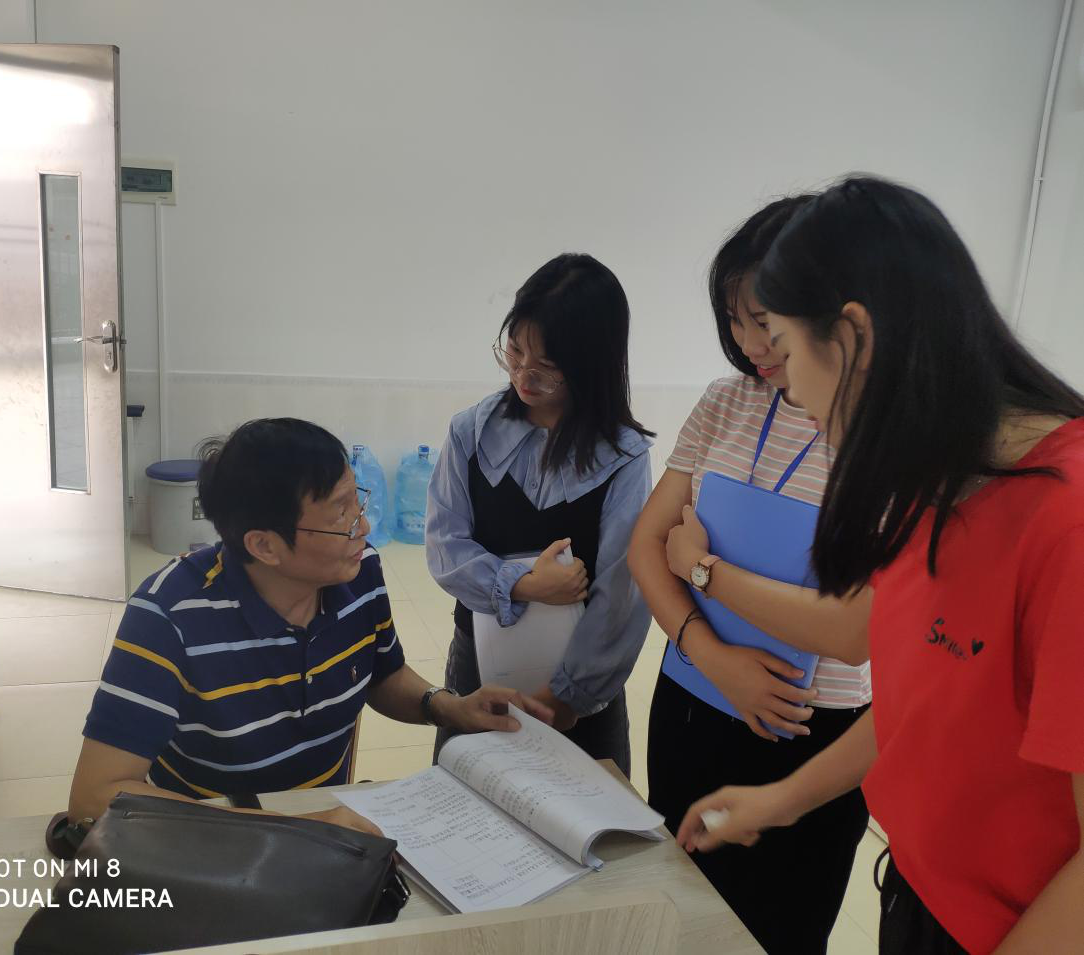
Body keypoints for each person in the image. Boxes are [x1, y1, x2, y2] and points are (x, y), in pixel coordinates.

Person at [677, 177, 1084, 955]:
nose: (787, 386)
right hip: (920, 893)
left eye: (784, 346)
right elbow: (917, 702)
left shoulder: (1065, 521)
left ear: (852, 337)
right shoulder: (933, 486)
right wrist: (781, 799)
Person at [68, 418, 552, 832]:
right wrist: (297, 831)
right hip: (215, 845)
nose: (363, 526)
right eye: (341, 513)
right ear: (264, 546)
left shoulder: (360, 573)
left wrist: (449, 707)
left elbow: (381, 675)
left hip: (328, 827)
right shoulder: (167, 616)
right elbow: (95, 796)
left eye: (357, 501)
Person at [627, 196, 873, 954]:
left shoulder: (876, 431)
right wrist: (711, 654)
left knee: (778, 930)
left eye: (765, 321)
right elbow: (646, 545)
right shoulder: (724, 403)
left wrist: (703, 570)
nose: (751, 343)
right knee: (677, 908)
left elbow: (855, 630)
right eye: (733, 321)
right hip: (693, 697)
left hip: (808, 726)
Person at [425, 252, 654, 775]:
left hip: (582, 682)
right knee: (469, 800)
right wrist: (524, 584)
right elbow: (445, 547)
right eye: (515, 350)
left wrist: (568, 696)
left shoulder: (624, 456)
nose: (523, 374)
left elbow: (623, 591)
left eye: (547, 365)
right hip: (479, 666)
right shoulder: (471, 431)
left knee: (585, 809)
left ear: (592, 365)